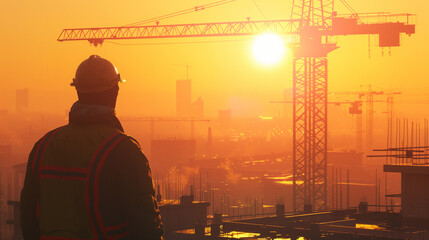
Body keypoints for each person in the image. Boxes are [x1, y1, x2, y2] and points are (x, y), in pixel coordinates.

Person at [20, 55, 163, 239]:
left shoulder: (43, 146)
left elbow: (29, 219)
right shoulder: (124, 151)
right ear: (115, 91)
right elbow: (146, 227)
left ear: (77, 90)